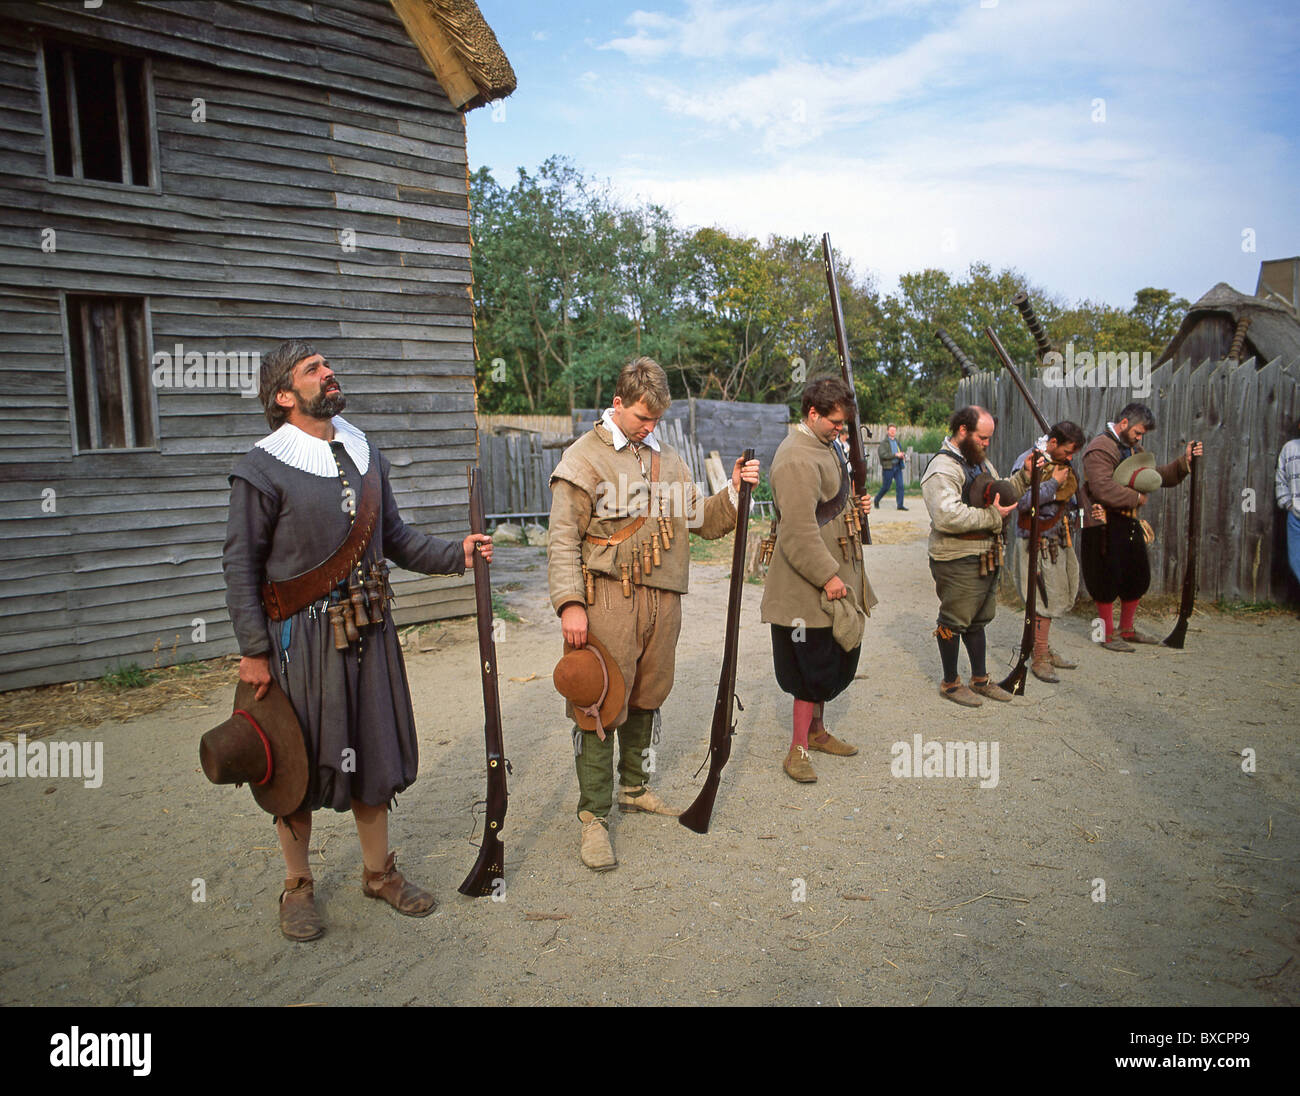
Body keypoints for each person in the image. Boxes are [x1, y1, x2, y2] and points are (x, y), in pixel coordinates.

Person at [223, 340, 492, 941]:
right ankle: (298, 886)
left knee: (372, 749)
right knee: (293, 763)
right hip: (298, 641)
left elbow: (392, 535)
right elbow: (240, 565)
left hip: (368, 630)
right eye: (312, 369)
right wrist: (253, 650)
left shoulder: (364, 452)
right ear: (285, 396)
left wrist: (458, 554)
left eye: (327, 364)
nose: (328, 373)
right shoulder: (261, 468)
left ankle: (379, 873)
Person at [547, 357, 759, 871]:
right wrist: (570, 604)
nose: (650, 427)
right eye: (643, 417)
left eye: (657, 419)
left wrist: (732, 490)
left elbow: (704, 522)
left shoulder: (670, 460)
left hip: (663, 601)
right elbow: (561, 539)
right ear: (618, 403)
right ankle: (593, 817)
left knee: (646, 694)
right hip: (606, 599)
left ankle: (634, 788)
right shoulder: (583, 459)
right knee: (598, 701)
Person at [762, 379, 876, 783]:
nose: (840, 430)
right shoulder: (795, 458)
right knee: (808, 666)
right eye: (835, 422)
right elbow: (797, 530)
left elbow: (829, 502)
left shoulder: (825, 447)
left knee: (831, 654)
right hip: (805, 582)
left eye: (843, 424)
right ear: (812, 414)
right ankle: (797, 750)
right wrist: (827, 575)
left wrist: (856, 504)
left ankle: (818, 732)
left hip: (831, 574)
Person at [1078, 402, 1202, 651]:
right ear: (1124, 424)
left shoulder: (1132, 449)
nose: (1139, 437)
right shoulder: (1100, 448)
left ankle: (1127, 629)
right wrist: (1136, 498)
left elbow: (1153, 476)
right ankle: (1106, 635)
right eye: (1137, 431)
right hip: (1102, 524)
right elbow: (1102, 487)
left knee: (1136, 575)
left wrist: (1183, 463)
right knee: (1105, 578)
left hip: (1127, 522)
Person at [920, 405, 1018, 706]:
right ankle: (950, 683)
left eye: (989, 438)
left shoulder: (980, 462)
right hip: (955, 557)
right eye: (982, 437)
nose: (987, 444)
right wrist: (992, 518)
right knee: (953, 619)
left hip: (984, 554)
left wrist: (1025, 478)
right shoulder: (943, 468)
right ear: (963, 431)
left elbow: (1001, 492)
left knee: (978, 620)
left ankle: (980, 679)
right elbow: (947, 516)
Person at [1007, 421, 1092, 682]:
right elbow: (1018, 499)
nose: (1069, 458)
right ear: (1053, 443)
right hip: (1035, 540)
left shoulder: (1062, 463)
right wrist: (1053, 484)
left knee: (1053, 594)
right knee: (1042, 597)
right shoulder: (1029, 460)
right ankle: (1040, 656)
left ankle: (1041, 647)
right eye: (1067, 452)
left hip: (1055, 538)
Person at [1276, 417, 1300, 592]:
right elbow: (1281, 479)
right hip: (1295, 516)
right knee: (1295, 560)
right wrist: (1287, 504)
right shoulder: (1289, 448)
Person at [875, 423, 907, 510]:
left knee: (900, 486)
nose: (893, 432)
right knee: (886, 487)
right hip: (888, 467)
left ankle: (900, 505)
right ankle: (876, 500)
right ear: (887, 431)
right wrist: (895, 455)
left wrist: (902, 455)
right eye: (891, 430)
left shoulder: (897, 442)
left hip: (898, 467)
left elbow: (899, 452)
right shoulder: (884, 443)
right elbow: (882, 455)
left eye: (894, 430)